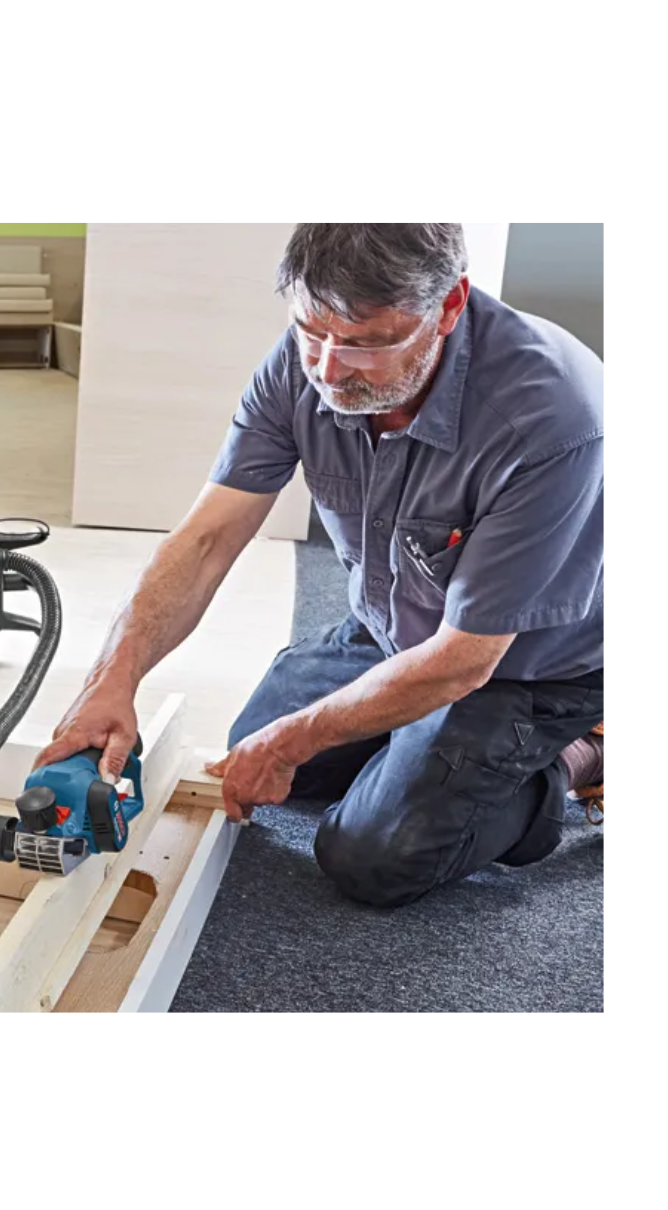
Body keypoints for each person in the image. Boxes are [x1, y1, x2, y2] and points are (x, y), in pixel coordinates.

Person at [36, 223, 603, 908]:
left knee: (373, 856)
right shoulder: (301, 363)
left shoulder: (551, 416)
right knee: (256, 749)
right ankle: (421, 748)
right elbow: (207, 539)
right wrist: (112, 678)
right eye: (311, 330)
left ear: (449, 305)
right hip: (394, 629)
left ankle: (578, 755)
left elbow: (465, 660)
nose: (329, 370)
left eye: (367, 343)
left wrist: (298, 738)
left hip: (527, 668)